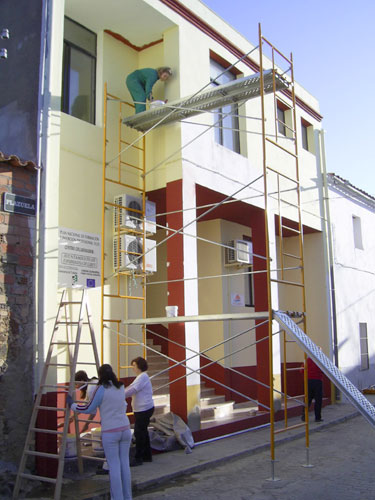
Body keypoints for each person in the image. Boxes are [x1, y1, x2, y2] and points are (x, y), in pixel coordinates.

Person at [68, 364, 132, 500]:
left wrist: (72, 405)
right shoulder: (120, 387)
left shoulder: (101, 389)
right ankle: (128, 497)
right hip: (125, 429)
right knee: (124, 465)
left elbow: (89, 408)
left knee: (113, 466)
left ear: (101, 375)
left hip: (110, 432)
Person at [125, 357, 154, 466]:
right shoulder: (140, 377)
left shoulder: (142, 377)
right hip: (141, 409)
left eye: (134, 365)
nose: (133, 368)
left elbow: (133, 389)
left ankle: (138, 457)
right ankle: (147, 456)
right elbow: (130, 387)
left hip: (144, 409)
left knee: (139, 432)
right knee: (143, 432)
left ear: (139, 366)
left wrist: (119, 395)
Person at [301, 357, 324, 422]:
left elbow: (302, 370)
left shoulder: (307, 360)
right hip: (318, 381)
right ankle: (318, 418)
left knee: (307, 399)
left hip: (308, 381)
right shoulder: (320, 360)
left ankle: (304, 415)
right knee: (318, 400)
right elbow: (324, 370)